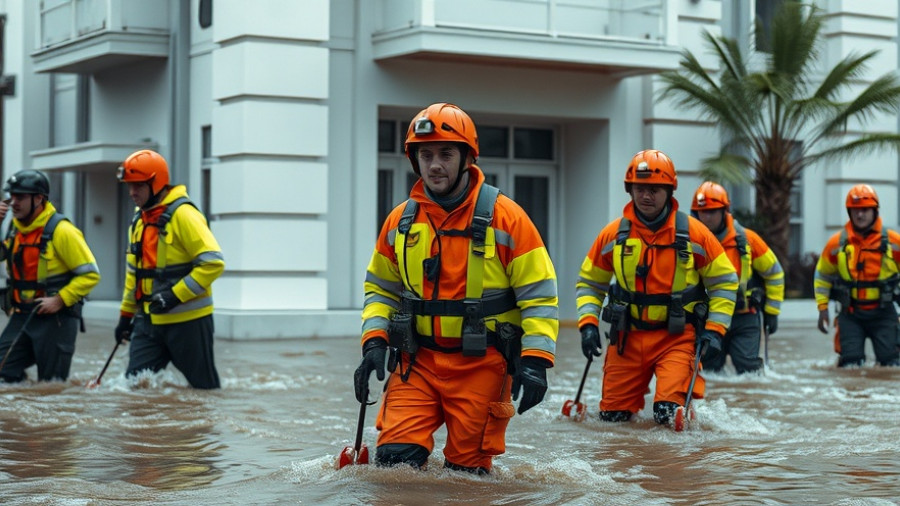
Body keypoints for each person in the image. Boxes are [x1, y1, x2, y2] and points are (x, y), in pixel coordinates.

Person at [355, 103, 558, 474]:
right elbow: (380, 290)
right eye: (425, 154)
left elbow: (539, 294)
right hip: (416, 363)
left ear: (467, 157)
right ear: (415, 160)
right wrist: (374, 342)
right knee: (393, 466)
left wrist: (536, 362)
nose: (435, 165)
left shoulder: (507, 217)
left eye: (446, 154)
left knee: (467, 478)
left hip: (483, 365)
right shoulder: (399, 221)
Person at [575, 150, 738, 426]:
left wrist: (715, 331)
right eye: (640, 189)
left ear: (669, 191)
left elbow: (724, 283)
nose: (646, 196)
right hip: (626, 337)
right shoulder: (613, 235)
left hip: (677, 338)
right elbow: (590, 283)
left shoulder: (696, 234)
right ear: (630, 190)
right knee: (612, 420)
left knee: (668, 417)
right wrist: (588, 324)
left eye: (654, 190)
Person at [115, 149, 225, 388]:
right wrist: (125, 316)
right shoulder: (138, 220)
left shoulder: (184, 215)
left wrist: (174, 296)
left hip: (189, 324)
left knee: (204, 391)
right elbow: (134, 274)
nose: (132, 193)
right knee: (132, 389)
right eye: (129, 186)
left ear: (157, 183)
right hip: (147, 323)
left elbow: (213, 262)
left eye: (138, 186)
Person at [0, 169, 100, 382]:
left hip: (56, 319)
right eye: (12, 196)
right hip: (22, 315)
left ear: (39, 199)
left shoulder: (62, 231)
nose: (13, 202)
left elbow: (91, 275)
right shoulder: (12, 228)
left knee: (51, 386)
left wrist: (60, 299)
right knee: (3, 371)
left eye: (21, 197)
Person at [690, 181, 784, 374]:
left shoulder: (747, 240)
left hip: (744, 317)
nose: (706, 217)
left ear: (724, 211)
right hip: (708, 319)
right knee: (708, 371)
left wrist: (772, 311)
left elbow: (774, 272)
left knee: (748, 369)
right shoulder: (689, 243)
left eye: (712, 211)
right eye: (702, 212)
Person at [813, 184, 900, 367]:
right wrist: (822, 309)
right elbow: (822, 276)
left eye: (865, 210)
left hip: (884, 313)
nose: (860, 215)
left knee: (891, 363)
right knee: (850, 365)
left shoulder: (894, 242)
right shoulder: (836, 243)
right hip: (850, 313)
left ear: (875, 210)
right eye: (855, 211)